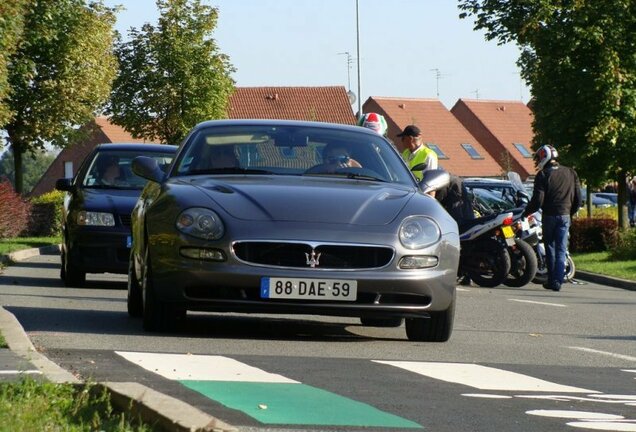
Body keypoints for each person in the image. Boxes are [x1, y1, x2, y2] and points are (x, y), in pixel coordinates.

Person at [522, 144, 581, 292]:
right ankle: (558, 280)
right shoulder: (571, 172)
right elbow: (578, 199)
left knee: (550, 247)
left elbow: (537, 201)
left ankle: (553, 280)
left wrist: (526, 212)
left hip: (549, 216)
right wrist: (570, 212)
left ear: (544, 157)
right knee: (561, 248)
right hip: (565, 215)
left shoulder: (543, 175)